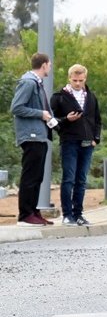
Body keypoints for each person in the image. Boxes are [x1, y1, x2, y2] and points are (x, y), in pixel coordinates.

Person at [49, 64, 103, 227]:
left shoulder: (91, 97)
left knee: (81, 179)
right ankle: (67, 214)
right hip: (69, 142)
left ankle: (78, 213)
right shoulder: (59, 97)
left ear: (85, 78)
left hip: (87, 143)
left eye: (81, 80)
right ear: (69, 78)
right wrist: (66, 119)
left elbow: (97, 120)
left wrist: (96, 138)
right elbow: (51, 121)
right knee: (69, 178)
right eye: (75, 80)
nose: (78, 83)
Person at [10, 52, 56, 227]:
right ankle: (25, 215)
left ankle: (34, 212)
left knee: (38, 176)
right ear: (43, 65)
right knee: (30, 176)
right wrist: (41, 114)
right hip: (31, 136)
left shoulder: (36, 83)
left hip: (40, 135)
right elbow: (17, 108)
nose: (49, 68)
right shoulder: (28, 82)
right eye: (49, 65)